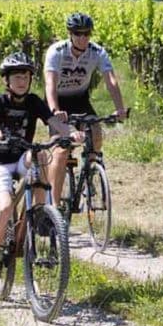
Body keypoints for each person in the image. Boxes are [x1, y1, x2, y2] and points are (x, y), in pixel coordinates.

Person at [0, 52, 83, 290]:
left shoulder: (34, 101)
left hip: (22, 155)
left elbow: (54, 123)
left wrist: (70, 133)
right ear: (7, 80)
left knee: (42, 153)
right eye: (16, 76)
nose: (22, 80)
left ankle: (38, 213)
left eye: (25, 75)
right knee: (5, 206)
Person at [43, 12, 127, 205]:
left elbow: (111, 80)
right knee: (61, 150)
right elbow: (50, 83)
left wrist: (120, 108)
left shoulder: (97, 52)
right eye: (78, 34)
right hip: (58, 100)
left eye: (86, 34)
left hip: (80, 99)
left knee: (96, 132)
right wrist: (55, 110)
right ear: (70, 34)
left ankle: (89, 173)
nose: (83, 38)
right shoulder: (57, 51)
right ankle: (53, 205)